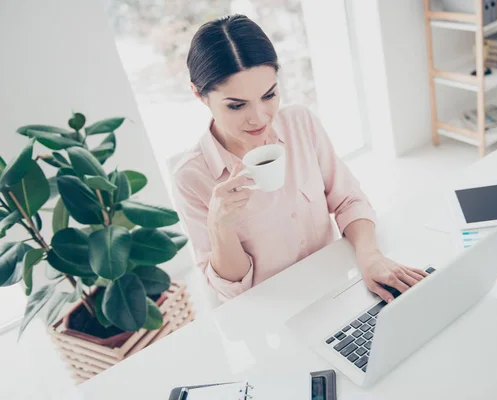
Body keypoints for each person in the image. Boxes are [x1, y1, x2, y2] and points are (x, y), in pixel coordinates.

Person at [172, 15, 427, 303]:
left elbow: (348, 200)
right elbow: (233, 290)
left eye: (269, 95)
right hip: (272, 315)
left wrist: (370, 257)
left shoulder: (300, 124)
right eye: (236, 105)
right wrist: (220, 225)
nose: (259, 118)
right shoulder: (191, 177)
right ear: (199, 94)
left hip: (337, 290)